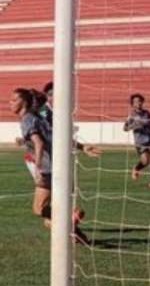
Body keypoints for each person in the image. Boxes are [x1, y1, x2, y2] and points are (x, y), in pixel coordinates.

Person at [11, 88, 91, 246]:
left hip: (48, 169)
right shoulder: (39, 119)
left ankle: (70, 219)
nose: (10, 103)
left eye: (14, 100)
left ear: (24, 103)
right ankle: (77, 234)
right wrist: (82, 147)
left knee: (39, 209)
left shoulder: (27, 119)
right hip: (60, 166)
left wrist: (38, 168)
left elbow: (39, 143)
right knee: (48, 219)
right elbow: (55, 138)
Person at [123, 93, 150, 188]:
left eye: (140, 101)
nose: (138, 103)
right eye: (135, 102)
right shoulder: (131, 115)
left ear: (142, 102)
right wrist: (135, 125)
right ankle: (136, 168)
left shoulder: (146, 113)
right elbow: (125, 128)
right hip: (140, 142)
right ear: (132, 104)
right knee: (145, 161)